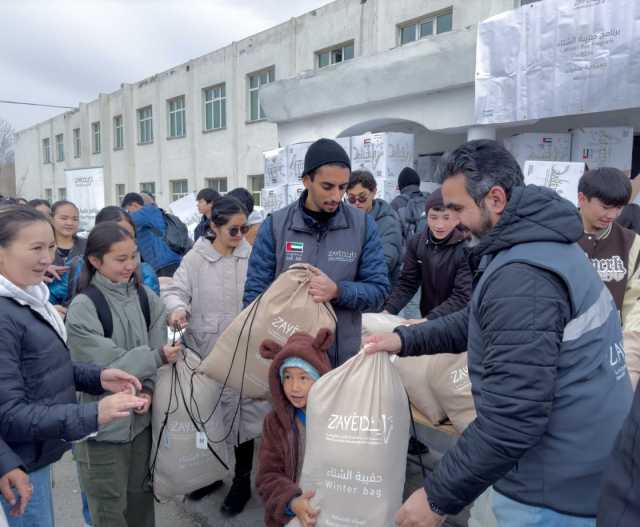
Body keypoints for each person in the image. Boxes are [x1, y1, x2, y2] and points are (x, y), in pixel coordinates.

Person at [365, 140, 633, 527]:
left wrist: (436, 497)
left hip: (552, 487)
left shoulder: (524, 276)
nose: (453, 222)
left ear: (495, 199)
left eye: (458, 209)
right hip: (574, 460)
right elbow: (482, 319)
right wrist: (405, 339)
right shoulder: (538, 242)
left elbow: (514, 417)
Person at [0, 206, 147, 527]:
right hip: (40, 449)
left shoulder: (28, 298)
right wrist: (95, 411)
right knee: (102, 505)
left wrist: (99, 376)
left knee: (138, 498)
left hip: (44, 448)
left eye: (50, 248)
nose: (46, 257)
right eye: (36, 248)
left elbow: (45, 368)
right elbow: (9, 412)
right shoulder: (80, 304)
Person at [65, 222, 181, 527]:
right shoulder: (83, 306)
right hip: (103, 430)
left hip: (141, 425)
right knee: (109, 511)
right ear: (94, 260)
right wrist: (154, 358)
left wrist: (149, 391)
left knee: (142, 507)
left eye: (134, 256)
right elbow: (107, 365)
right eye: (120, 259)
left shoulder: (147, 299)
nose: (131, 265)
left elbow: (160, 353)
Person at [163, 197, 270, 515]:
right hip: (206, 353)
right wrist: (177, 309)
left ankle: (241, 482)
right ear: (214, 227)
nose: (241, 235)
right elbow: (174, 291)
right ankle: (209, 474)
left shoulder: (253, 258)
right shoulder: (195, 260)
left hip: (245, 353)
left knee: (243, 420)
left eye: (245, 228)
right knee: (207, 418)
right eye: (234, 230)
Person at [244, 138, 390, 367]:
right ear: (306, 181)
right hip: (288, 363)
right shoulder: (276, 226)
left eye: (342, 187)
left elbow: (379, 292)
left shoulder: (362, 226)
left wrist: (339, 291)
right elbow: (254, 297)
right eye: (327, 186)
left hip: (340, 362)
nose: (336, 196)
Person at [256, 329, 333, 527]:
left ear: (321, 379)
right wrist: (291, 502)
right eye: (287, 377)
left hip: (330, 512)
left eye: (303, 378)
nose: (294, 387)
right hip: (290, 516)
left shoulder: (338, 421)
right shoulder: (274, 423)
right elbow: (267, 476)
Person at [577, 168, 640, 388]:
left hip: (614, 351)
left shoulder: (632, 243)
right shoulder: (559, 238)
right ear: (582, 199)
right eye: (605, 207)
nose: (612, 215)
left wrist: (628, 356)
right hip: (567, 352)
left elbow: (636, 303)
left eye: (618, 208)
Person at [383, 188, 471, 321]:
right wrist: (388, 310)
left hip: (459, 322)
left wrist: (427, 320)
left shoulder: (467, 248)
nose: (439, 225)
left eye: (446, 218)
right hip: (428, 317)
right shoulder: (417, 243)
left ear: (457, 219)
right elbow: (408, 283)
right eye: (433, 217)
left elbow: (462, 296)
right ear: (426, 216)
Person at [346, 170, 403, 287]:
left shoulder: (388, 223)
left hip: (379, 294)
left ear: (374, 192)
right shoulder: (345, 220)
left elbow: (385, 261)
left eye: (362, 198)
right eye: (351, 199)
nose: (356, 203)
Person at [121, 192, 182, 277]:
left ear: (134, 205)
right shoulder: (152, 213)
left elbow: (122, 222)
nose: (128, 213)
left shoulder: (145, 212)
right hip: (167, 261)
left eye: (128, 210)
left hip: (164, 264)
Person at [47, 200, 86, 313]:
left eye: (75, 219)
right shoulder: (41, 246)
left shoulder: (88, 245)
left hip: (79, 309)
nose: (70, 223)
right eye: (64, 218)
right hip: (47, 306)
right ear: (51, 218)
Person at [391, 166, 428, 241]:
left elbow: (394, 237)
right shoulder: (429, 199)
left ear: (401, 185)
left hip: (408, 251)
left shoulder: (396, 204)